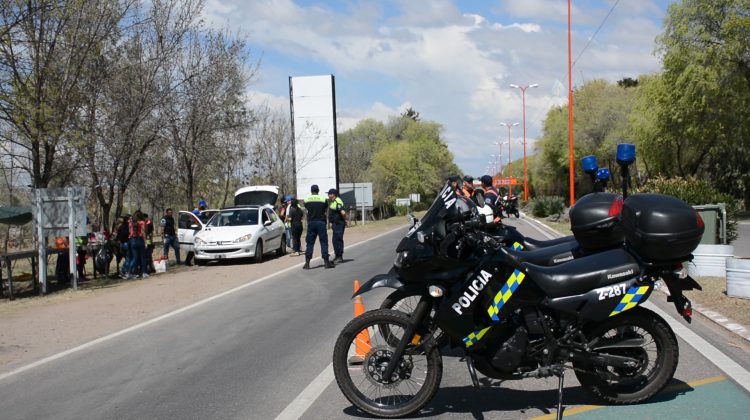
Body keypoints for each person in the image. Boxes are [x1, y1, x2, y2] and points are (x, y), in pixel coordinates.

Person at [303, 184, 335, 269]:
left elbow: (306, 208)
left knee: (310, 243)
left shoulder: (306, 199)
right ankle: (326, 262)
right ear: (318, 191)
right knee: (323, 242)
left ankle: (307, 263)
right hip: (321, 222)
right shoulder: (323, 199)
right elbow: (325, 209)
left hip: (311, 223)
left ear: (311, 191)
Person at [327, 188, 347, 263]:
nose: (328, 195)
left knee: (338, 240)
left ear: (333, 194)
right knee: (335, 240)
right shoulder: (332, 202)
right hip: (335, 224)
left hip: (339, 223)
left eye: (329, 194)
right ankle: (337, 256)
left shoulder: (337, 201)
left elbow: (343, 212)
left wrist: (345, 220)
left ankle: (339, 257)